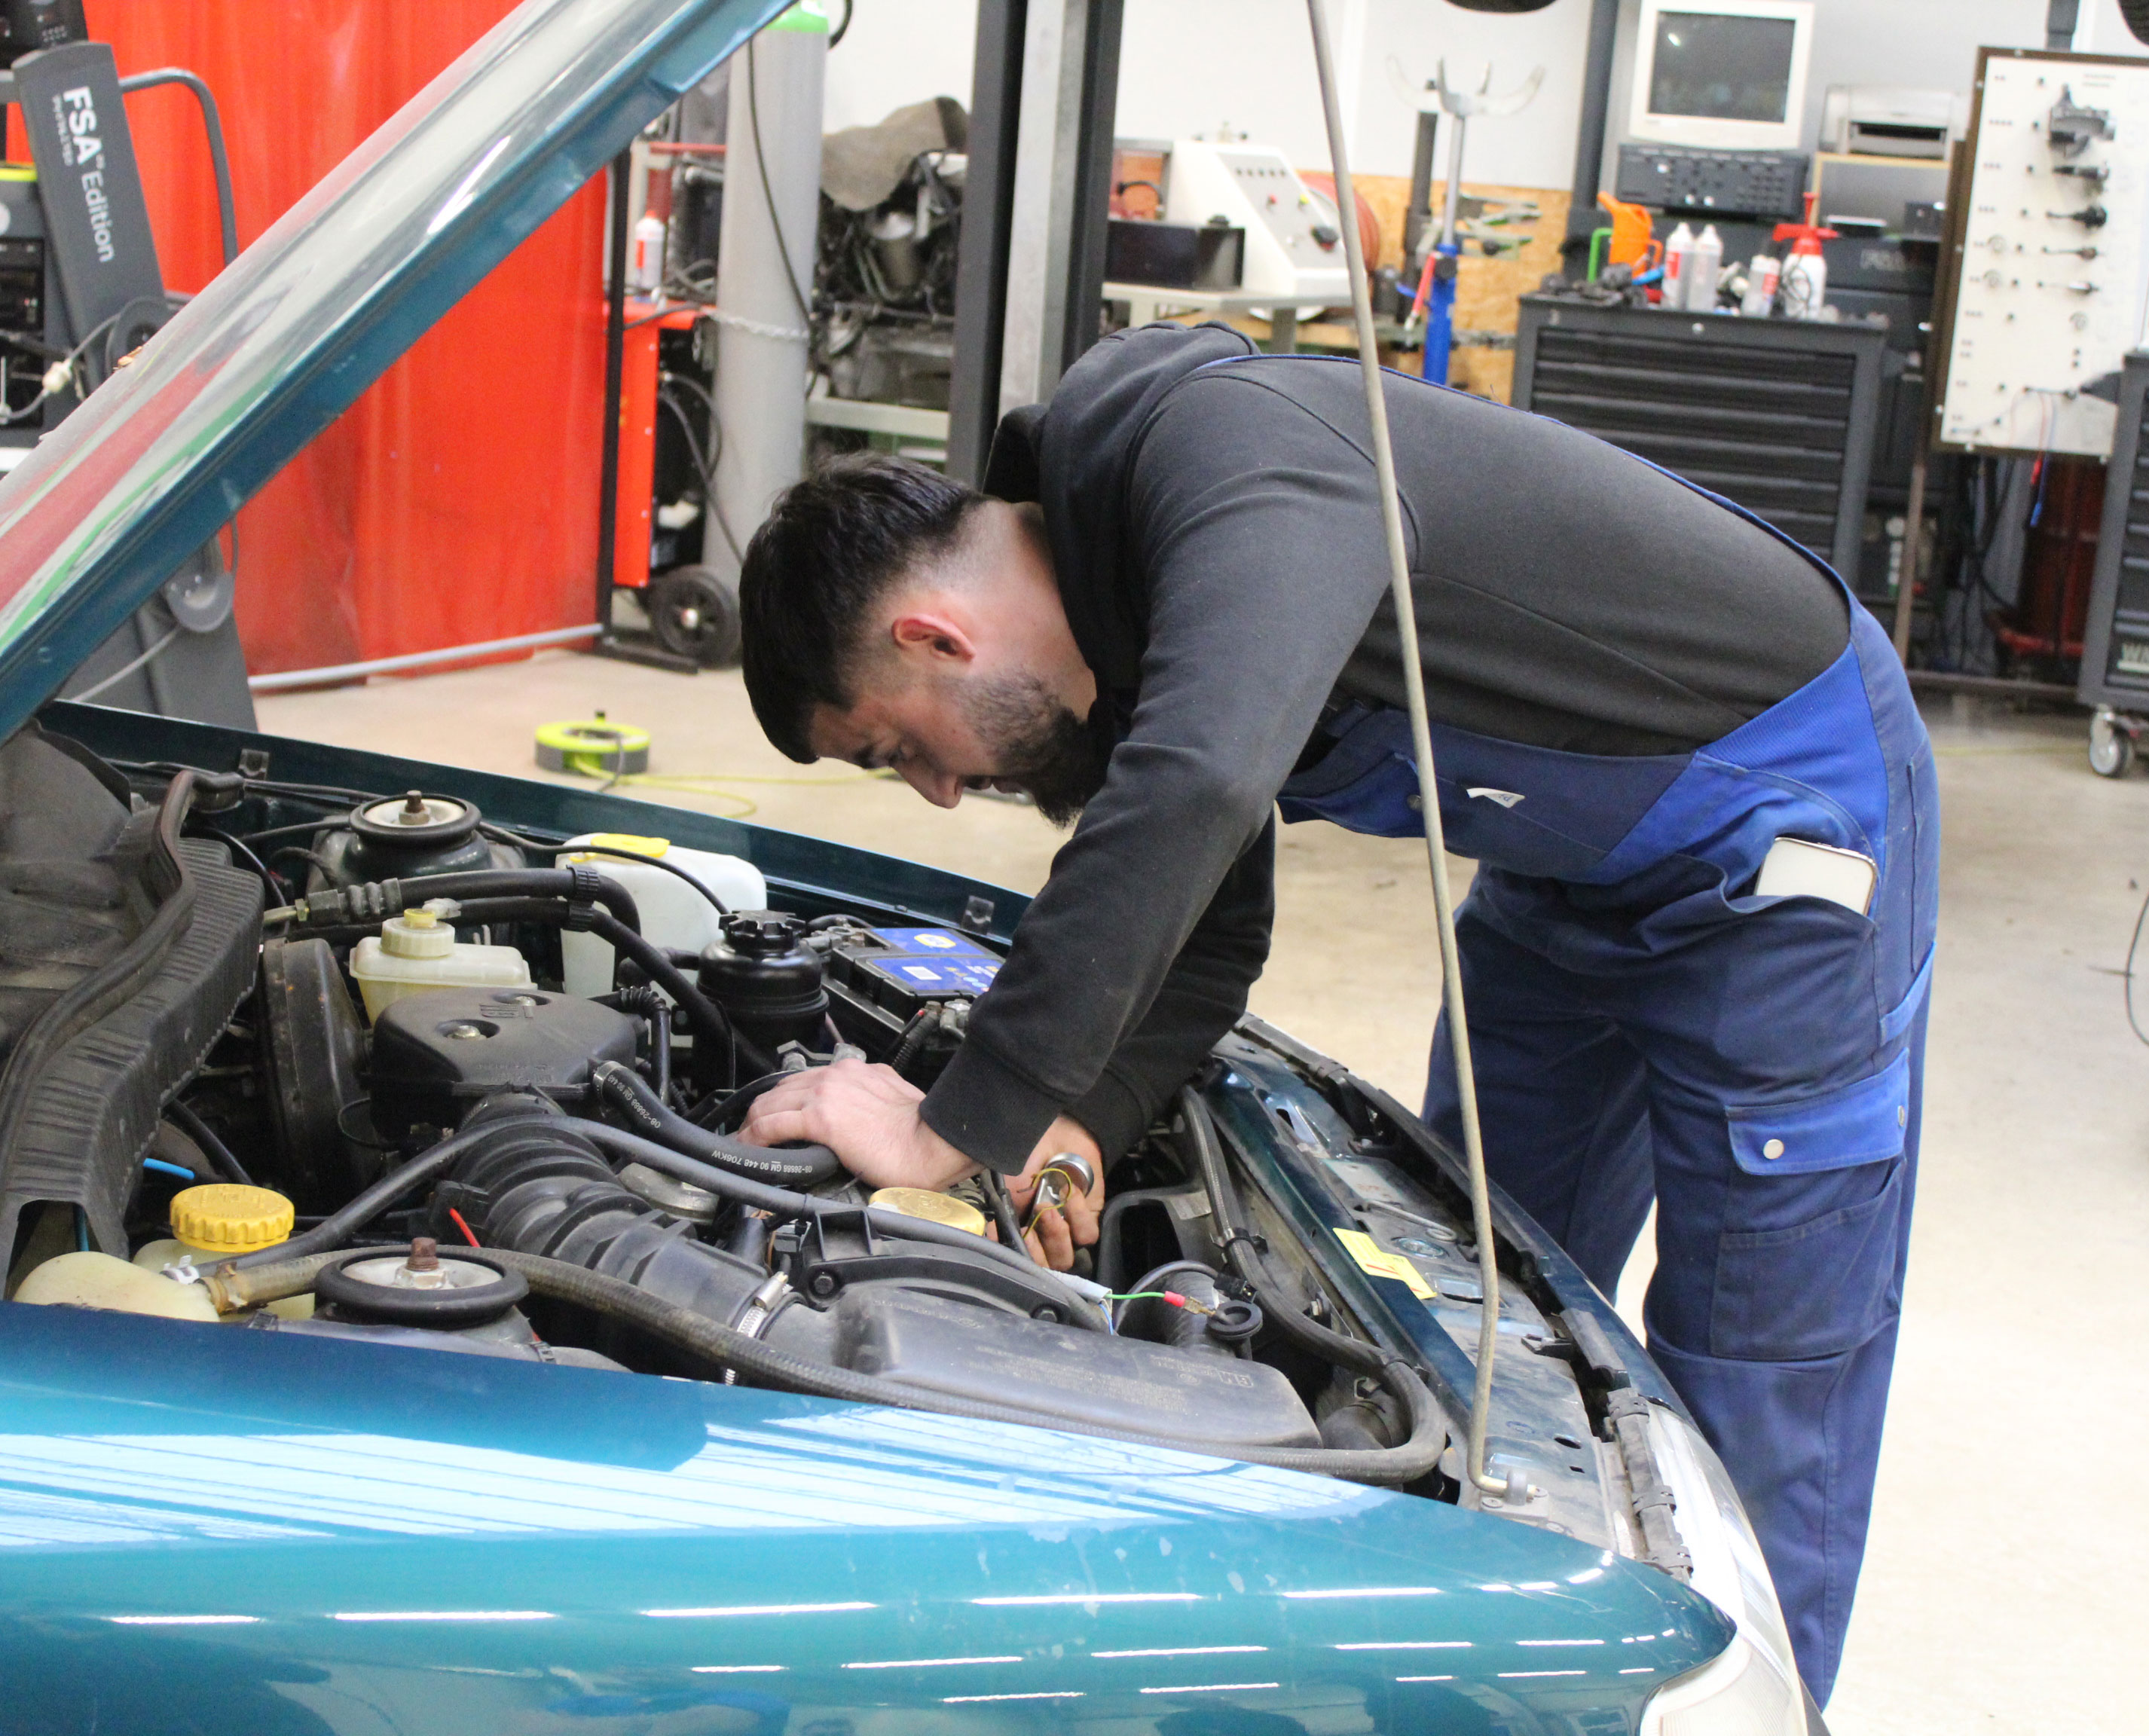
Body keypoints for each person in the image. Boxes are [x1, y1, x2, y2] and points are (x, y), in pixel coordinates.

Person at [731, 321, 1934, 1705]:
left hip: (1783, 842)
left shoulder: (1226, 456)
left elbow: (1197, 790)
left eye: (898, 750)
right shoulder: (1118, 623)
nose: (938, 796)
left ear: (931, 634)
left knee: (1759, 1364)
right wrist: (1073, 1120)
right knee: (1480, 1312)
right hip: (1567, 863)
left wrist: (955, 1126)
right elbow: (1212, 931)